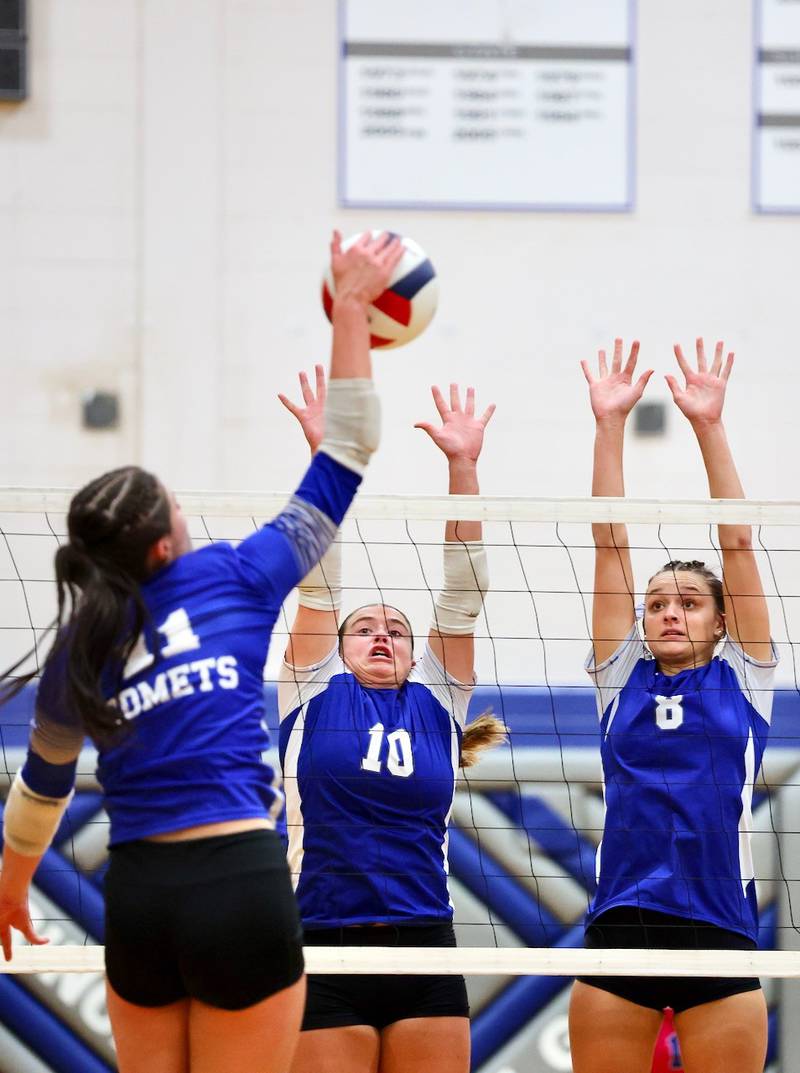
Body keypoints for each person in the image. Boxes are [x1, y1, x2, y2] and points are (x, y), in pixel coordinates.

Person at [0, 230, 404, 1073]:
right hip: (238, 883)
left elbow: (41, 790)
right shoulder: (236, 575)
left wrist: (9, 881)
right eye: (177, 505)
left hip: (141, 897)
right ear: (161, 546)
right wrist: (352, 309)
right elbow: (350, 447)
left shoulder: (80, 643)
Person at [276, 369, 504, 1073]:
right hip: (321, 937)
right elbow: (317, 580)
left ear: (415, 650)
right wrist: (324, 459)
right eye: (365, 627)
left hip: (422, 943)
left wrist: (462, 463)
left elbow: (465, 589)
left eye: (397, 630)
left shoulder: (438, 699)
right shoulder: (311, 692)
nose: (382, 635)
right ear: (339, 647)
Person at [569, 338, 776, 1073]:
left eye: (689, 602)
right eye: (656, 602)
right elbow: (608, 544)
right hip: (623, 923)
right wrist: (608, 423)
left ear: (721, 621)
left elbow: (741, 542)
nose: (668, 612)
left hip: (719, 926)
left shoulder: (745, 677)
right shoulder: (620, 675)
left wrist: (708, 425)